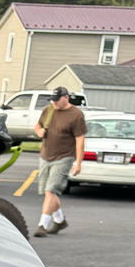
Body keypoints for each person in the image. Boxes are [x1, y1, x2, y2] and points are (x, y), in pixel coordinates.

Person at [31, 87, 87, 236]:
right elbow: (38, 126)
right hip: (45, 156)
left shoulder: (76, 115)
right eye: (52, 100)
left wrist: (78, 162)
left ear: (66, 98)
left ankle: (42, 226)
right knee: (46, 192)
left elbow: (80, 139)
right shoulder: (48, 110)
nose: (54, 103)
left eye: (57, 100)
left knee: (51, 190)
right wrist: (39, 132)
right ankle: (59, 220)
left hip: (64, 158)